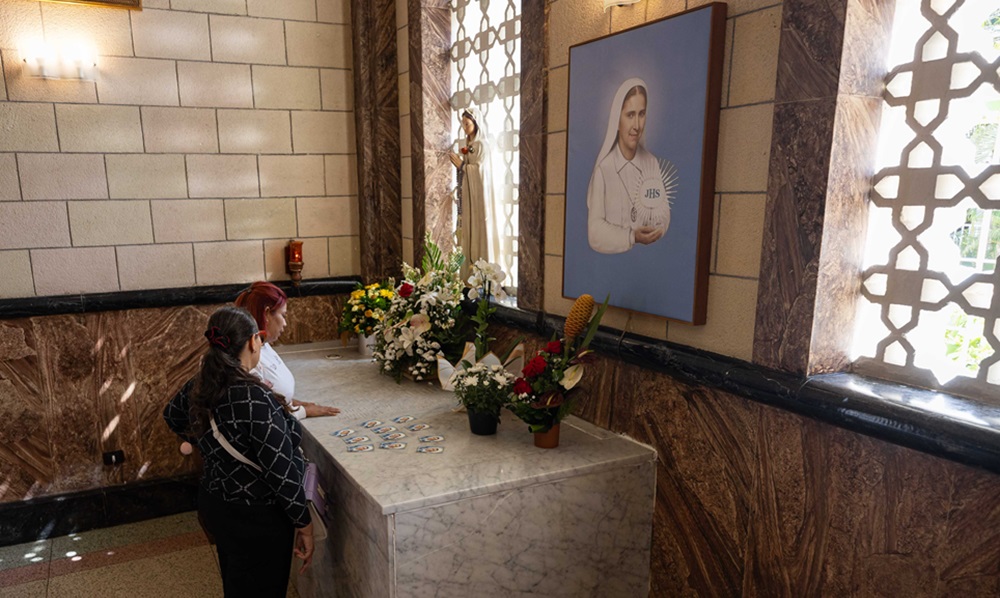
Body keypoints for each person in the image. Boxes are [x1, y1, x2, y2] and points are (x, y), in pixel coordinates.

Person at [163, 306, 314, 597]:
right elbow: (280, 470)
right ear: (252, 342)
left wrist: (208, 445)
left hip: (217, 503)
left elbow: (172, 415)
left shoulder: (201, 384)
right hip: (257, 516)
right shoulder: (254, 397)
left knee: (237, 582)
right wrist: (304, 524)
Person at [587, 78, 677, 254]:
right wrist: (632, 236)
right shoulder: (604, 170)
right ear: (617, 120)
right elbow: (595, 232)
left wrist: (658, 228)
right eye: (630, 115)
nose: (636, 125)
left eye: (641, 114)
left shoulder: (651, 163)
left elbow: (663, 213)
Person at [236, 281, 341, 420]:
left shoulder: (263, 344)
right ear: (266, 314)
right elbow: (265, 416)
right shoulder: (249, 357)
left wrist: (292, 403)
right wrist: (304, 411)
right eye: (283, 315)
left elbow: (272, 393)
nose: (285, 323)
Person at [449, 108, 498, 279]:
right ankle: (467, 276)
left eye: (467, 124)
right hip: (469, 195)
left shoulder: (482, 145)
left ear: (476, 124)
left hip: (479, 197)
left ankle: (482, 276)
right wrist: (462, 166)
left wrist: (463, 166)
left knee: (479, 230)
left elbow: (481, 171)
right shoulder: (469, 146)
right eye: (463, 124)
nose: (465, 128)